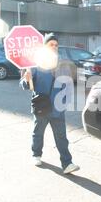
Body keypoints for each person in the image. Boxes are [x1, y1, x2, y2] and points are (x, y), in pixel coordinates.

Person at [21, 33, 80, 174]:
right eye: (51, 44)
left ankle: (67, 163)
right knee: (38, 133)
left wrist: (65, 102)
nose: (54, 47)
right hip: (41, 105)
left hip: (58, 108)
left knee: (61, 137)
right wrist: (26, 79)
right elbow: (25, 85)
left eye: (56, 45)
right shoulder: (35, 64)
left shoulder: (63, 64)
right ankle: (36, 154)